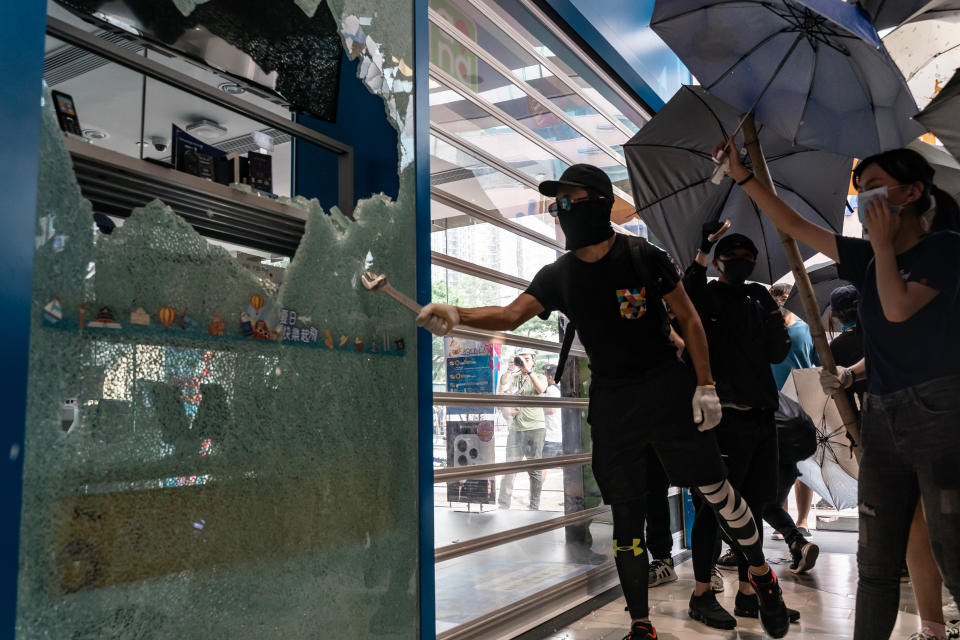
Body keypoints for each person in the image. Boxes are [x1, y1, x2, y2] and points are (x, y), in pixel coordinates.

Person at [417, 164, 792, 640]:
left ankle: (761, 573)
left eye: (569, 202)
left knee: (716, 490)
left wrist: (704, 384)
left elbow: (690, 321)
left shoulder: (643, 257)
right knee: (625, 511)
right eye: (557, 206)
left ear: (597, 203)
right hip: (613, 401)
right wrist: (455, 312)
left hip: (666, 388)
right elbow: (512, 314)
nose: (561, 213)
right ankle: (641, 624)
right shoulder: (560, 274)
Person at [715, 140, 960, 640]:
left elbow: (896, 309)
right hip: (884, 417)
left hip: (942, 411)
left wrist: (885, 247)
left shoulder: (945, 248)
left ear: (913, 191)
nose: (863, 203)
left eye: (874, 190)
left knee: (953, 552)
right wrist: (744, 176)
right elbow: (795, 225)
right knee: (874, 565)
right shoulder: (868, 256)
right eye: (859, 193)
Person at [682, 226, 798, 630]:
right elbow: (685, 298)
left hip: (762, 418)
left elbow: (778, 349)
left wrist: (771, 311)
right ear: (717, 262)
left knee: (754, 507)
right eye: (732, 255)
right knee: (713, 511)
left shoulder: (759, 297)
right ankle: (702, 594)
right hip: (721, 420)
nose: (741, 262)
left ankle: (749, 595)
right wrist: (701, 251)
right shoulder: (706, 293)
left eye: (748, 256)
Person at [825, 287, 952, 640]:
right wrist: (849, 375)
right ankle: (933, 627)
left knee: (942, 529)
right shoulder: (879, 280)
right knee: (914, 529)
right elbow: (886, 354)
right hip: (894, 421)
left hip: (942, 415)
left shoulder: (935, 270)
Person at [769, 282, 819, 537]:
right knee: (778, 464)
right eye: (778, 298)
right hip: (774, 403)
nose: (782, 302)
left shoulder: (806, 329)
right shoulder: (766, 330)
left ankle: (803, 520)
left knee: (804, 466)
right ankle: (784, 519)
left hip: (800, 402)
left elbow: (817, 365)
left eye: (786, 298)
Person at [497, 352, 547, 510]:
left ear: (534, 362)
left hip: (535, 427)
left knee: (534, 470)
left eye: (527, 359)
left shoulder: (540, 376)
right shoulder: (515, 377)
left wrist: (528, 371)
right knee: (509, 468)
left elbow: (541, 389)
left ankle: (534, 506)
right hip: (516, 428)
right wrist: (510, 369)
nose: (523, 362)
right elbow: (502, 387)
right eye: (521, 359)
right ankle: (503, 506)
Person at [541, 364, 563, 459]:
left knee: (542, 466)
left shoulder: (551, 389)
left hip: (551, 436)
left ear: (549, 377)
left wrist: (537, 407)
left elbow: (551, 409)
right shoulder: (561, 389)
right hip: (560, 435)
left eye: (544, 376)